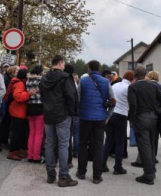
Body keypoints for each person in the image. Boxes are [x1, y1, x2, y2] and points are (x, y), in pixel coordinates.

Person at [39, 55, 78, 188]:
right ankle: (63, 176)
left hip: (48, 114)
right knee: (63, 145)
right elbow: (71, 96)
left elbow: (42, 95)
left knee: (49, 144)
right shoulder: (65, 77)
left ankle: (50, 175)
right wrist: (72, 112)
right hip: (62, 114)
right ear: (61, 63)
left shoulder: (44, 78)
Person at [76, 60, 115, 184]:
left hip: (85, 117)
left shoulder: (83, 81)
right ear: (99, 68)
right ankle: (97, 176)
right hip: (100, 118)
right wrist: (108, 116)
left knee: (83, 144)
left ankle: (81, 172)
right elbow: (113, 101)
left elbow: (77, 98)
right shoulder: (106, 82)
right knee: (98, 146)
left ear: (89, 68)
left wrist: (79, 112)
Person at [128, 66, 161, 185]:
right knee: (151, 145)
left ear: (135, 75)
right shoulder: (153, 86)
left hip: (141, 118)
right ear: (145, 75)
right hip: (153, 118)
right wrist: (157, 110)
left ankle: (148, 175)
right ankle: (151, 170)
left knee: (144, 147)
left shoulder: (133, 87)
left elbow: (133, 105)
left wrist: (132, 120)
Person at [102, 71, 134, 175]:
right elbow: (131, 103)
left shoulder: (115, 85)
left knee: (108, 141)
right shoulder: (129, 88)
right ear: (132, 79)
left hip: (111, 113)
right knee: (120, 143)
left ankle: (102, 165)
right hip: (121, 115)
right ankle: (118, 167)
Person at [6, 69, 35, 160]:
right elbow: (18, 97)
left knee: (19, 133)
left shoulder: (18, 82)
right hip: (17, 111)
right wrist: (29, 94)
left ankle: (17, 151)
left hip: (18, 111)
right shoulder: (19, 84)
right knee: (16, 134)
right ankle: (12, 152)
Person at [0, 65, 20, 149]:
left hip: (8, 102)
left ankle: (3, 140)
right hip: (6, 102)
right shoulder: (6, 79)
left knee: (6, 122)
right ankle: (2, 141)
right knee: (5, 122)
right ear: (12, 72)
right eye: (17, 71)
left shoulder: (9, 78)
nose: (18, 73)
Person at [26, 66, 44, 163]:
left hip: (30, 107)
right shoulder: (40, 81)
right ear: (40, 72)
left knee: (32, 133)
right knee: (39, 134)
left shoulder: (27, 81)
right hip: (39, 107)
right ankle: (36, 156)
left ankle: (30, 155)